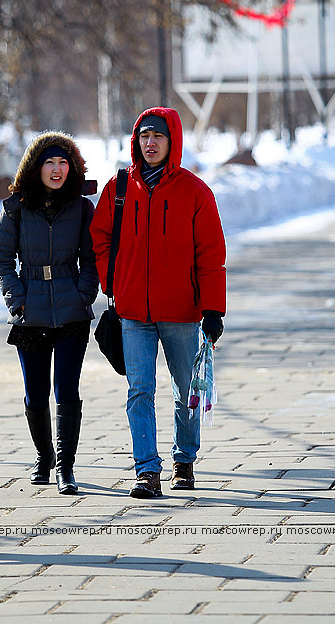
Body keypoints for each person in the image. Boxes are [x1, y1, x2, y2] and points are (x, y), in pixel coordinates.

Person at [91, 107, 226, 498]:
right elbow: (100, 238)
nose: (150, 143)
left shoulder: (194, 191)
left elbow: (210, 254)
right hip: (132, 311)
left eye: (158, 137)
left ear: (172, 142)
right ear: (135, 142)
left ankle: (184, 460)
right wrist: (112, 280)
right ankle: (146, 471)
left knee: (186, 390)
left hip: (181, 312)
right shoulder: (118, 189)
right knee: (139, 390)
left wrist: (213, 309)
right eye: (144, 137)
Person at [0, 132, 98, 495]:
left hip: (72, 312)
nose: (57, 170)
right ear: (36, 167)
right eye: (50, 163)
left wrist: (85, 293)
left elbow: (92, 256)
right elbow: (1, 259)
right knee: (35, 394)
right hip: (30, 311)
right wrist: (16, 299)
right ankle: (44, 456)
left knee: (66, 389)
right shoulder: (17, 207)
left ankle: (66, 466)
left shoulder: (82, 207)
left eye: (63, 162)